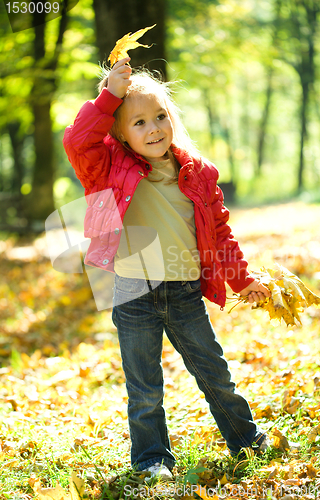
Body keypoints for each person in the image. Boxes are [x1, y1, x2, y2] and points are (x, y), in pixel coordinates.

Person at [63, 57, 271, 480]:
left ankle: (245, 439)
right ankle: (152, 459)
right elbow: (77, 140)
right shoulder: (107, 169)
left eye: (159, 116)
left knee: (215, 372)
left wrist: (242, 279)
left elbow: (219, 232)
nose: (153, 127)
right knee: (144, 389)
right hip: (133, 292)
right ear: (120, 132)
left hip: (184, 291)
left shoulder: (197, 174)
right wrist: (110, 97)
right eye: (138, 122)